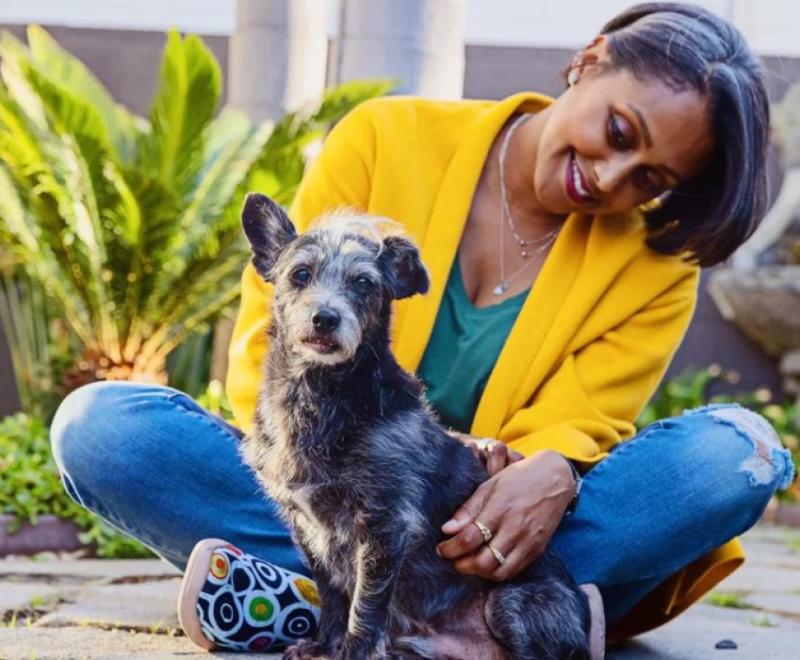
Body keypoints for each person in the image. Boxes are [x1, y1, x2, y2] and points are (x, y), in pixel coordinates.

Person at [50, 2, 794, 655]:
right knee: (103, 430)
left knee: (735, 455)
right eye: (619, 131)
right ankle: (431, 626)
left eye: (650, 180)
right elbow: (269, 348)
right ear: (590, 60)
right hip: (331, 492)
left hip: (489, 545)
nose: (610, 177)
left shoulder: (655, 267)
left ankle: (341, 608)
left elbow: (582, 424)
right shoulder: (384, 136)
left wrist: (553, 469)